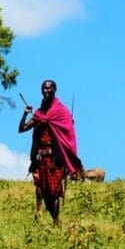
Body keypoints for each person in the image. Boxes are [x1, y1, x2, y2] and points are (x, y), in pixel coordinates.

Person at [18, 80, 83, 224]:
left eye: (48, 88)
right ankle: (53, 219)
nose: (45, 91)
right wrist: (25, 115)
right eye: (43, 89)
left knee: (54, 191)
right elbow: (22, 129)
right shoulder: (39, 113)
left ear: (55, 90)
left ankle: (56, 220)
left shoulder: (62, 111)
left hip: (55, 158)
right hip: (40, 158)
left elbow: (68, 132)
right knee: (44, 191)